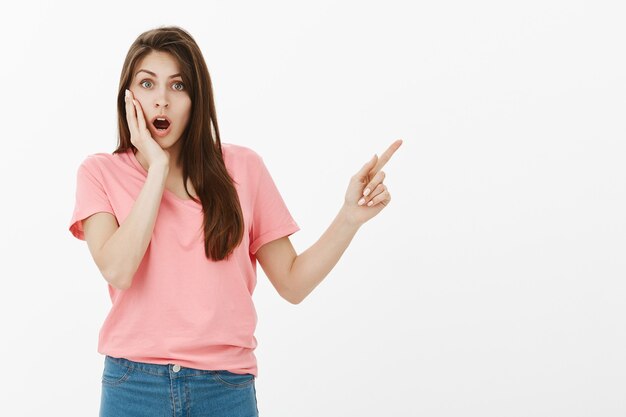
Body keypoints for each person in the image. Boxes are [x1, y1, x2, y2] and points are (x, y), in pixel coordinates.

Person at [68, 25, 402, 417]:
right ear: (128, 97)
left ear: (197, 98)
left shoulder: (243, 168)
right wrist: (156, 167)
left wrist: (349, 217)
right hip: (134, 386)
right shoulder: (100, 173)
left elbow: (293, 283)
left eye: (178, 87)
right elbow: (118, 270)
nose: (161, 101)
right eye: (147, 84)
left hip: (223, 388)